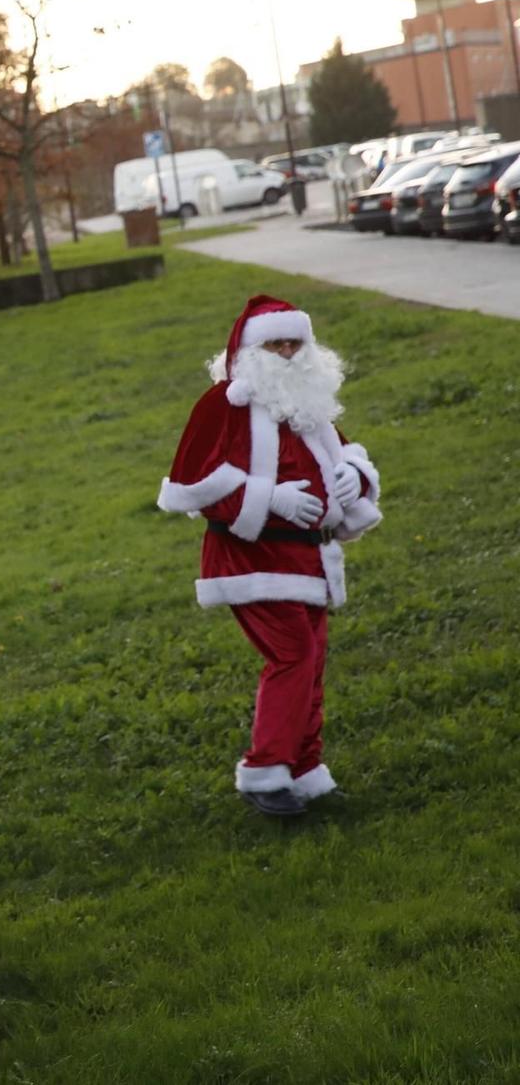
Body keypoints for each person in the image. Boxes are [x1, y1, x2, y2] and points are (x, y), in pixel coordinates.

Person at [157, 295, 383, 817]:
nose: (286, 352)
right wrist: (267, 497)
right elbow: (191, 487)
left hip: (309, 561)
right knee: (293, 656)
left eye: (294, 342)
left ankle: (304, 770)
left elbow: (341, 450)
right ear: (249, 349)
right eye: (275, 343)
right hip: (252, 562)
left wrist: (354, 474)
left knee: (312, 662)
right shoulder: (223, 405)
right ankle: (266, 770)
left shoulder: (307, 403)